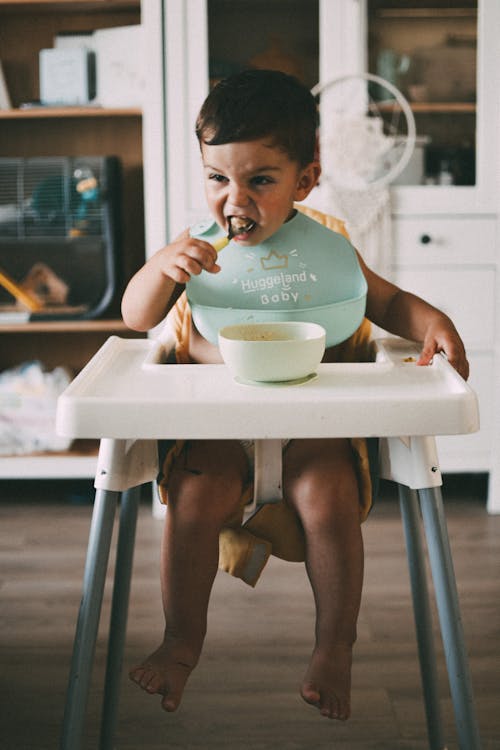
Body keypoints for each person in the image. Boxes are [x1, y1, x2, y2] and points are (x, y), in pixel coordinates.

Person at [121, 69, 469, 721]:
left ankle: (334, 647)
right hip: (219, 432)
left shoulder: (326, 247)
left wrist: (433, 323)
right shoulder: (195, 251)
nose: (234, 199)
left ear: (304, 181)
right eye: (218, 178)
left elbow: (386, 301)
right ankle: (180, 642)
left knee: (329, 499)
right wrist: (158, 269)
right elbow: (138, 318)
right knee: (194, 497)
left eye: (259, 180)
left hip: (314, 427)